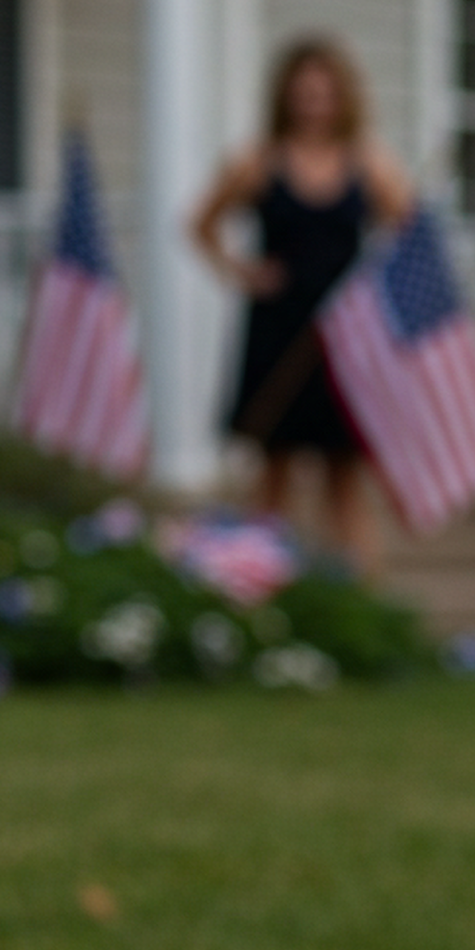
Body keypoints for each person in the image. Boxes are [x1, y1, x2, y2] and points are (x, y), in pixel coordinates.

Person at [193, 37, 414, 575]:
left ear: (343, 99)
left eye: (325, 95)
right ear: (285, 97)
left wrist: (376, 291)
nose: (314, 105)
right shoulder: (257, 162)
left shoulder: (370, 163)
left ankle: (359, 604)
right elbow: (201, 225)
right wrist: (244, 272)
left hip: (346, 337)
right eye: (303, 94)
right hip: (279, 328)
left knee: (344, 474)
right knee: (274, 469)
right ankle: (261, 587)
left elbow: (410, 235)